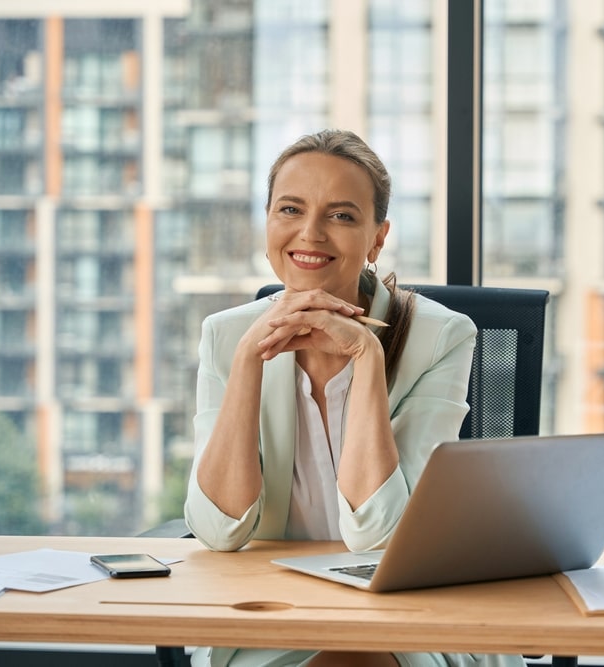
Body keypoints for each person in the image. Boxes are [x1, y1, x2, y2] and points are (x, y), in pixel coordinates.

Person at [184, 129, 526, 667]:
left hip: (404, 615)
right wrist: (250, 361)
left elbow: (381, 537)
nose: (310, 233)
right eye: (290, 209)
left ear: (377, 238)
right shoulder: (226, 337)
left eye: (341, 216)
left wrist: (367, 360)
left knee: (354, 659)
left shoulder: (443, 337)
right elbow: (219, 531)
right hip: (272, 614)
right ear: (268, 221)